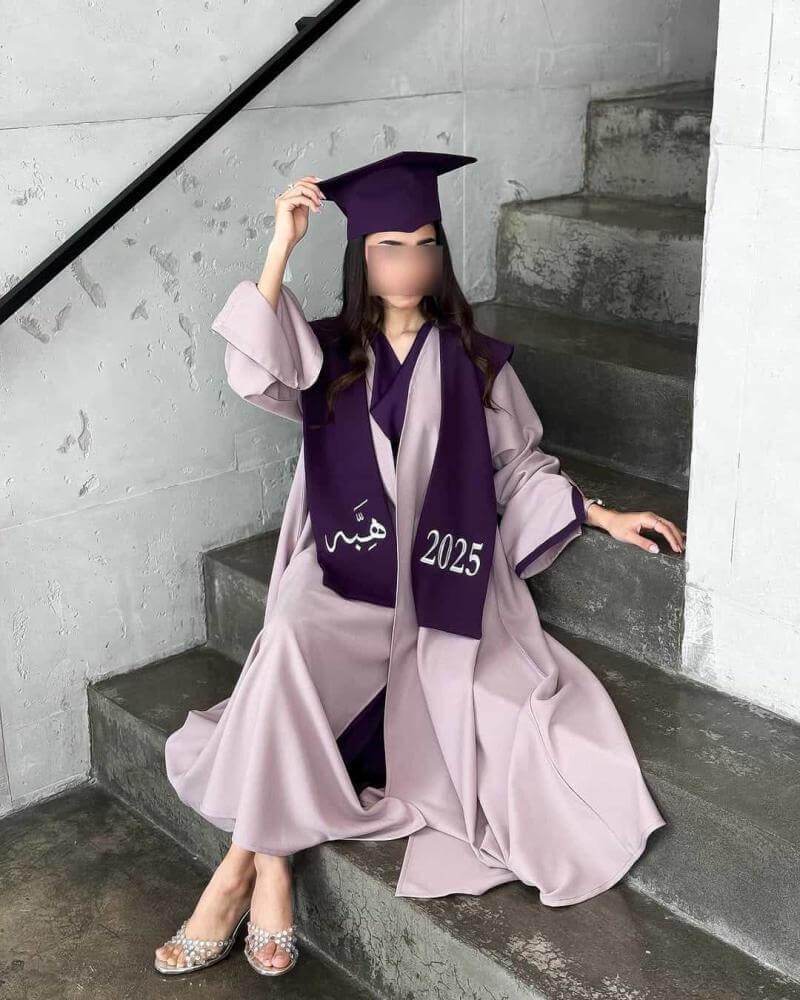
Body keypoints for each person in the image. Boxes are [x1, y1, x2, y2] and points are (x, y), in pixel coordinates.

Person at [154, 151, 684, 978]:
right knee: (287, 634)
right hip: (344, 566)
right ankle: (267, 867)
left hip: (439, 571)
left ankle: (244, 868)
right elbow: (253, 370)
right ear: (361, 256)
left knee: (474, 695)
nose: (408, 265)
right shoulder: (323, 352)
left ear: (440, 254)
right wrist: (279, 245)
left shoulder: (475, 359)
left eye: (424, 245)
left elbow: (518, 467)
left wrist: (599, 512)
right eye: (388, 248)